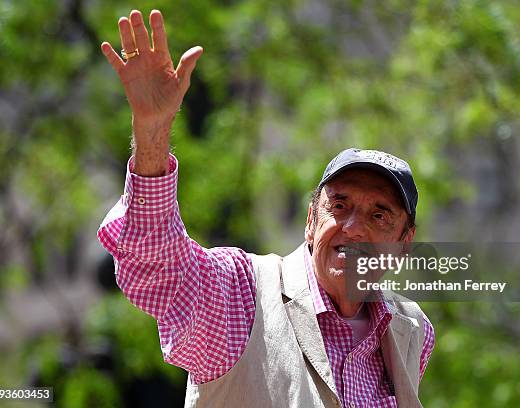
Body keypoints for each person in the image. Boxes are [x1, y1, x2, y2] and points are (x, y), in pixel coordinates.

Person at [98, 9, 434, 408]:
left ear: (403, 242)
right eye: (339, 205)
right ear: (311, 221)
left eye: (379, 215)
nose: (353, 227)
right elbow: (159, 268)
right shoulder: (243, 296)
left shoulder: (410, 329)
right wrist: (151, 130)